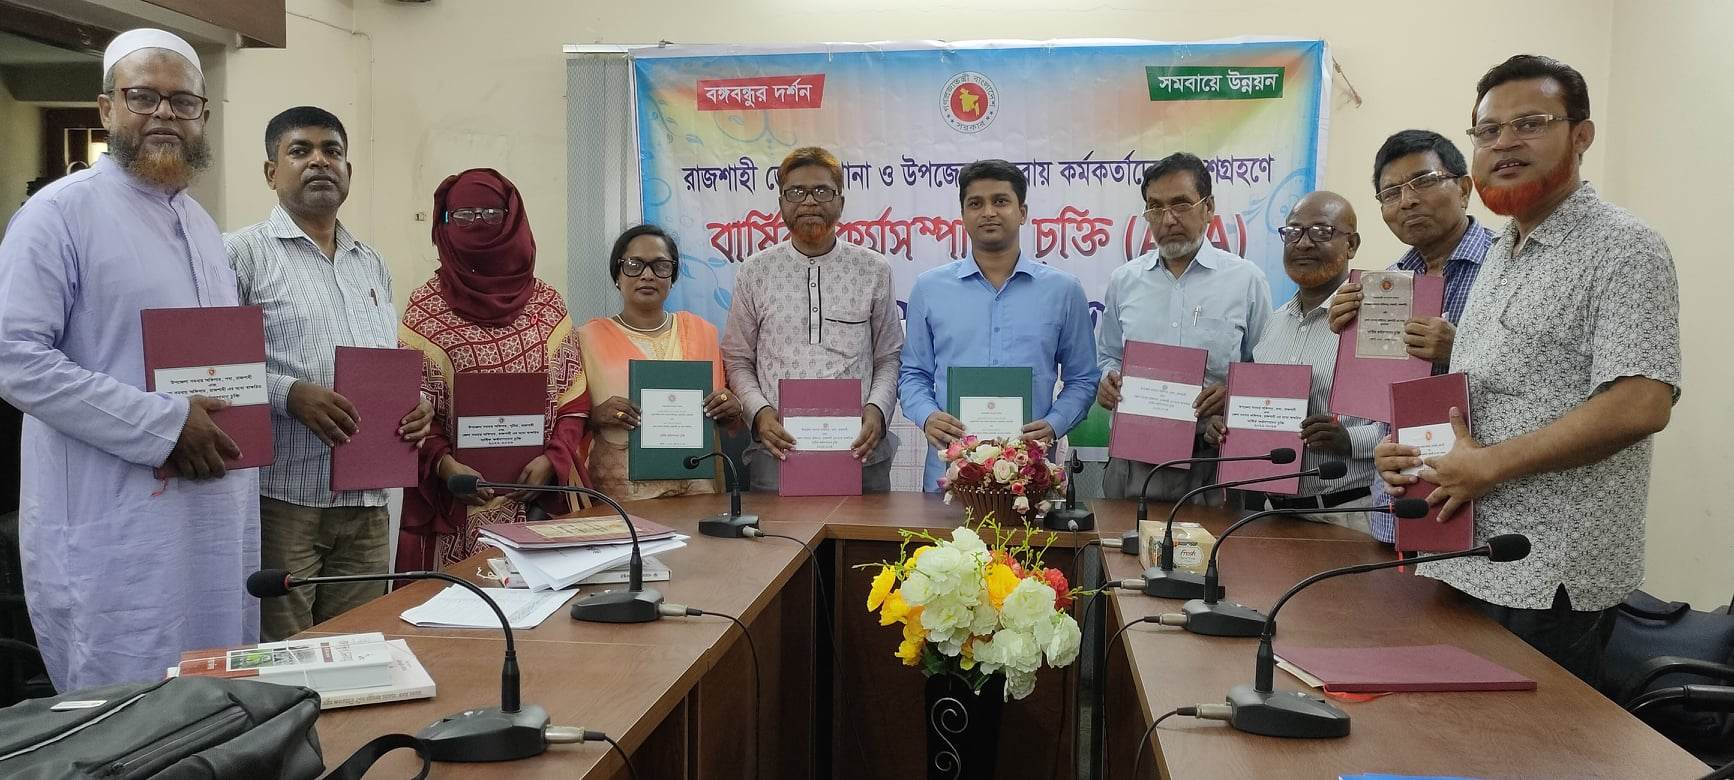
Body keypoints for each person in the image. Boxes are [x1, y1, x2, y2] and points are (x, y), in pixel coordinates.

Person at [1376, 55, 1680, 683]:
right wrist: (1411, 451)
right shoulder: (1500, 253)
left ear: (1581, 135)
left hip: (1549, 575)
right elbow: (1483, 396)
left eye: (1531, 124)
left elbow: (1641, 402)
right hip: (1465, 553)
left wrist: (1489, 465)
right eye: (1488, 131)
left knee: (1531, 742)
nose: (1504, 143)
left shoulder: (1625, 247)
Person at [0, 29, 258, 689]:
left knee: (218, 697)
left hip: (213, 511)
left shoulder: (202, 225)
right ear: (106, 108)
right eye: (143, 97)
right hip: (113, 524)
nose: (164, 115)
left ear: (203, 115)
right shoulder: (58, 214)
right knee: (127, 706)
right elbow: (14, 358)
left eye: (182, 102)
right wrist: (162, 423)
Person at [226, 106, 434, 640]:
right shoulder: (239, 255)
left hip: (367, 500)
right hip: (283, 496)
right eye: (300, 151)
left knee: (360, 647)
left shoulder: (372, 262)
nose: (319, 161)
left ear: (348, 171)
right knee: (287, 652)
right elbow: (215, 370)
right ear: (271, 171)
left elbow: (383, 359)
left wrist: (415, 403)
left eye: (332, 151)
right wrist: (287, 393)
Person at [397, 168, 594, 570]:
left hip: (536, 505)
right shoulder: (423, 310)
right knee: (452, 607)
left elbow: (574, 403)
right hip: (454, 509)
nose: (478, 225)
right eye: (464, 215)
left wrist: (552, 461)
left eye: (490, 214)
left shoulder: (548, 306)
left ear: (512, 219)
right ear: (444, 223)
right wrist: (446, 467)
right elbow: (410, 412)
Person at [1327, 129, 1495, 544]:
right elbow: (1378, 409)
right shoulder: (1386, 284)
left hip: (1488, 505)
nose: (1407, 201)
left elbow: (1538, 376)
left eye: (1423, 182)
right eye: (1391, 193)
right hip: (1399, 498)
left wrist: (1459, 348)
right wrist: (1350, 341)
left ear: (1464, 189)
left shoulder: (1507, 267)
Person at [899, 159, 1101, 491]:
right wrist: (927, 416)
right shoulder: (929, 289)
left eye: (1001, 201)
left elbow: (1083, 378)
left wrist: (1054, 425)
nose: (988, 212)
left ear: (1022, 212)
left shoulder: (1063, 291)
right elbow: (913, 374)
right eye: (975, 204)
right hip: (950, 476)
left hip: (1030, 478)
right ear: (963, 215)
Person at [722, 147, 903, 492]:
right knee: (778, 530)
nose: (808, 201)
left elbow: (888, 356)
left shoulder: (873, 269)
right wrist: (760, 414)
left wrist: (877, 410)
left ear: (840, 201)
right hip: (778, 452)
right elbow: (738, 359)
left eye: (822, 191)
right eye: (796, 192)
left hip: (859, 451)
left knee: (863, 531)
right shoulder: (755, 271)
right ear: (781, 202)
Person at [1095, 153, 1271, 505]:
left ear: (1208, 208)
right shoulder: (1124, 281)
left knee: (1215, 545)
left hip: (1211, 460)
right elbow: (1108, 356)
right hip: (1133, 461)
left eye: (1180, 205)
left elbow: (1268, 371)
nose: (1168, 219)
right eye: (1155, 208)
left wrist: (1232, 393)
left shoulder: (1245, 280)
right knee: (1123, 542)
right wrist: (1107, 381)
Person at [1207, 192, 1377, 531]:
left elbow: (1404, 429)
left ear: (1351, 245)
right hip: (1274, 513)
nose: (1303, 243)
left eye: (1321, 231)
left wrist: (1349, 439)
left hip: (1348, 515)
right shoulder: (1273, 324)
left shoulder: (1373, 323)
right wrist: (1226, 428)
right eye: (1294, 232)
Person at [579, 224, 742, 500]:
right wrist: (595, 416)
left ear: (672, 277)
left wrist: (731, 408)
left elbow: (722, 415)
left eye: (661, 266)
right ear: (617, 274)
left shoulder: (702, 333)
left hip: (695, 488)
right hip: (622, 491)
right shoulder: (587, 339)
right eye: (634, 265)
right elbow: (564, 419)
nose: (647, 275)